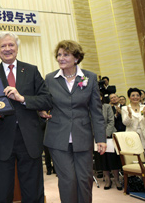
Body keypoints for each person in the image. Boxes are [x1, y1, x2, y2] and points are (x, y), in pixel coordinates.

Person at [0, 32, 52, 203]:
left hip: (29, 138)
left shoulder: (31, 70)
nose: (7, 49)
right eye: (3, 46)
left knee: (33, 191)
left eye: (11, 45)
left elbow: (47, 99)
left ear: (17, 48)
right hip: (2, 139)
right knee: (3, 192)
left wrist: (22, 98)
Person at [40, 40, 107, 203]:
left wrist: (101, 139)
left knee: (84, 180)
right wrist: (40, 110)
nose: (61, 58)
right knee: (68, 180)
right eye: (59, 55)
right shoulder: (50, 79)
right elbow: (43, 101)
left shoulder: (89, 77)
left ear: (76, 58)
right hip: (57, 138)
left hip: (82, 137)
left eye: (66, 54)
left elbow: (96, 111)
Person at [99, 93, 122, 190]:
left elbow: (111, 121)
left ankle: (116, 179)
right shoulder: (89, 107)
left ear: (101, 97)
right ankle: (108, 180)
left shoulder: (107, 106)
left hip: (109, 135)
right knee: (103, 159)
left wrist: (106, 133)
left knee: (113, 158)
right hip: (97, 137)